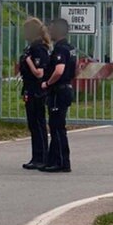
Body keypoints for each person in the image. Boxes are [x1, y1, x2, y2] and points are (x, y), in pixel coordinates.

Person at [40, 18, 77, 173]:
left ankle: (62, 162)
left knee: (57, 128)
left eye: (52, 29)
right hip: (65, 88)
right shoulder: (70, 47)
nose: (50, 31)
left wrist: (47, 83)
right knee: (56, 127)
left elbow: (59, 70)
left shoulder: (61, 49)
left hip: (59, 91)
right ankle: (53, 160)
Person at [19, 18, 52, 170]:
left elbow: (39, 73)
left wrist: (28, 61)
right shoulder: (31, 47)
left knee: (38, 124)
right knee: (33, 125)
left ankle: (42, 157)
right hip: (29, 89)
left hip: (37, 90)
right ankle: (36, 156)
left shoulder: (39, 48)